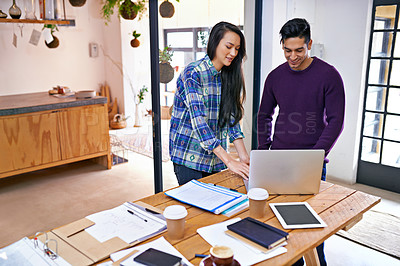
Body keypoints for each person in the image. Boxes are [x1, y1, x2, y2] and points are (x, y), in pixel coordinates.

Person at [257, 18, 345, 265]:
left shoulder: (329, 75)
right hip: (278, 161)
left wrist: (313, 157)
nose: (292, 57)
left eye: (299, 50)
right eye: (287, 50)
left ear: (310, 45)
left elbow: (335, 121)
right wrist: (264, 152)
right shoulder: (275, 77)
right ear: (282, 46)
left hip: (312, 164)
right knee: (280, 227)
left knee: (311, 232)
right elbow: (264, 115)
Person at [169, 21, 250, 186]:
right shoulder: (193, 73)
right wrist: (230, 162)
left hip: (214, 159)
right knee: (196, 207)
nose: (233, 53)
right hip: (188, 157)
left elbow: (231, 119)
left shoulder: (227, 76)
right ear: (214, 43)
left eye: (237, 48)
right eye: (229, 46)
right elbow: (200, 124)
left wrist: (244, 157)